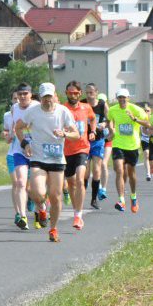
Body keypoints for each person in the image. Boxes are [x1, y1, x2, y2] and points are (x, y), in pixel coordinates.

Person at [15, 83, 79, 242]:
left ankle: (53, 229)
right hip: (38, 158)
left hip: (56, 159)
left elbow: (76, 134)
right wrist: (25, 144)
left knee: (56, 196)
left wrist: (64, 133)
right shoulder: (32, 112)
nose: (47, 100)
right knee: (36, 192)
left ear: (54, 95)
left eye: (49, 96)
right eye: (44, 97)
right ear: (40, 97)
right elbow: (18, 128)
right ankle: (42, 208)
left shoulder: (63, 112)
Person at [107, 89, 152, 213]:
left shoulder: (136, 109)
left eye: (124, 97)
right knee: (119, 170)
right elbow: (109, 120)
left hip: (132, 146)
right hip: (118, 144)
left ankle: (133, 196)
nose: (122, 100)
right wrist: (111, 130)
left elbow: (148, 124)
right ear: (117, 98)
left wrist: (135, 120)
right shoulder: (113, 110)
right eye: (120, 97)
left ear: (128, 98)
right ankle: (121, 200)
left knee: (131, 173)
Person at [62, 81, 96, 230]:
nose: (73, 96)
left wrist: (92, 131)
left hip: (83, 148)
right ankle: (76, 210)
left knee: (79, 179)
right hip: (66, 150)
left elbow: (93, 118)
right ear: (66, 94)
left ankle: (78, 215)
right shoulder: (63, 109)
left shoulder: (86, 107)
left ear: (80, 93)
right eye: (70, 93)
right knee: (70, 183)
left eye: (75, 93)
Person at [5, 83, 36, 229]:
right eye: (20, 94)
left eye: (25, 93)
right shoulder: (14, 108)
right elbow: (14, 128)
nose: (22, 96)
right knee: (20, 183)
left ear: (31, 94)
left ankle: (41, 209)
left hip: (37, 151)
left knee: (36, 188)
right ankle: (22, 216)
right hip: (20, 150)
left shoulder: (37, 107)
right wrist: (12, 137)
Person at [86, 83, 108, 209]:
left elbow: (109, 118)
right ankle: (82, 194)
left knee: (96, 169)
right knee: (85, 172)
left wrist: (105, 124)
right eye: (87, 93)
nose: (89, 95)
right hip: (84, 141)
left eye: (91, 92)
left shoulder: (102, 104)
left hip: (98, 140)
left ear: (96, 92)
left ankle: (94, 199)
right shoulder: (82, 104)